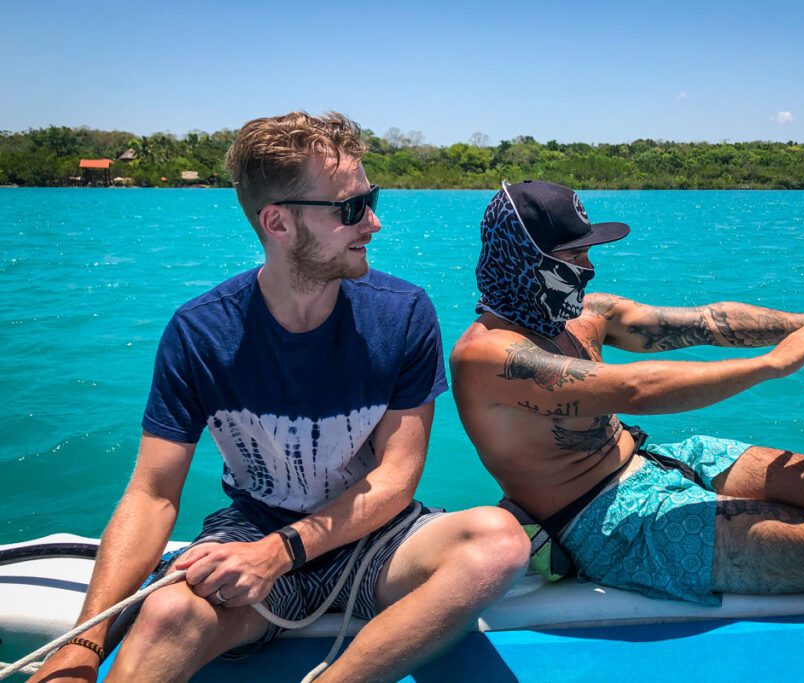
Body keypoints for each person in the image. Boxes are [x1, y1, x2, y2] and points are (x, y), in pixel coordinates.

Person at [31, 112, 528, 683]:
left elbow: (395, 479)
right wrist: (83, 647)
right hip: (255, 528)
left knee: (497, 542)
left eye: (372, 199)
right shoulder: (200, 334)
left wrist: (282, 554)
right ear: (278, 223)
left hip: (373, 537)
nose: (373, 223)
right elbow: (153, 495)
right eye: (350, 209)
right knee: (168, 612)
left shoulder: (402, 313)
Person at [450, 179, 804, 620]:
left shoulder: (588, 312)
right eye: (573, 257)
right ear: (529, 261)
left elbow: (708, 321)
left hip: (659, 460)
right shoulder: (488, 357)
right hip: (605, 523)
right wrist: (770, 366)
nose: (589, 267)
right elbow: (631, 389)